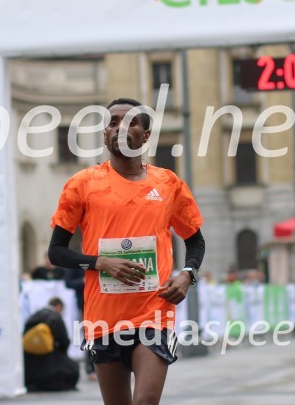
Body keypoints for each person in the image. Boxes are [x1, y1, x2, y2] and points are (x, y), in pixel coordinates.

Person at [48, 98, 206, 405]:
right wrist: (100, 262)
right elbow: (56, 252)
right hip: (104, 318)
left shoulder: (168, 183)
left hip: (153, 314)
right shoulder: (82, 184)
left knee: (145, 401)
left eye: (130, 122)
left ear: (145, 135)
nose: (120, 128)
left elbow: (195, 241)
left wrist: (188, 274)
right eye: (113, 122)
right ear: (104, 134)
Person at [23, 297, 79, 392]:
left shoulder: (34, 316)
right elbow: (64, 341)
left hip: (30, 363)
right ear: (59, 306)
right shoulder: (55, 317)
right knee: (72, 369)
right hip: (50, 363)